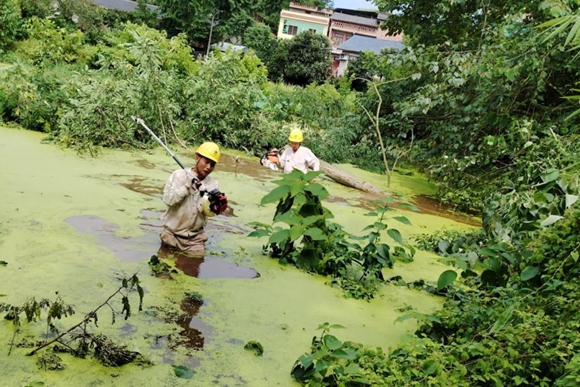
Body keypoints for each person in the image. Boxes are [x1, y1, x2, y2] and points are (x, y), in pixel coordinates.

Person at [160, 142, 228, 256]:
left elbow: (211, 213)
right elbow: (168, 200)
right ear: (197, 157)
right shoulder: (179, 175)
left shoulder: (213, 185)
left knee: (193, 268)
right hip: (171, 235)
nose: (208, 167)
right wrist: (187, 186)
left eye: (212, 164)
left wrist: (212, 202)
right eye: (206, 162)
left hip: (195, 239)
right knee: (163, 269)